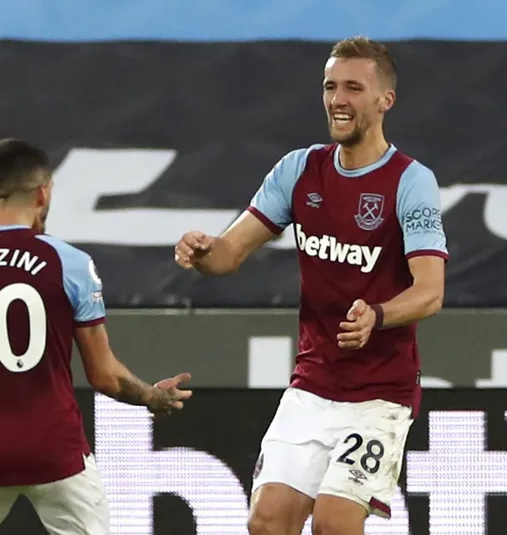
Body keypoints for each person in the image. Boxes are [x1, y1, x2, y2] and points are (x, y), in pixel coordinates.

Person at [174, 36, 447, 535]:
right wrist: (202, 251)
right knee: (266, 522)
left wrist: (378, 315)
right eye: (330, 86)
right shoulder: (299, 170)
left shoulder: (410, 181)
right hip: (313, 386)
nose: (338, 99)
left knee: (334, 524)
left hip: (379, 395)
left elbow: (430, 291)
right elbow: (229, 253)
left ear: (385, 100)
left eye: (353, 88)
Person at [0, 138, 192, 535]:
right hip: (54, 449)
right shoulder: (69, 263)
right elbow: (104, 376)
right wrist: (153, 397)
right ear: (44, 193)